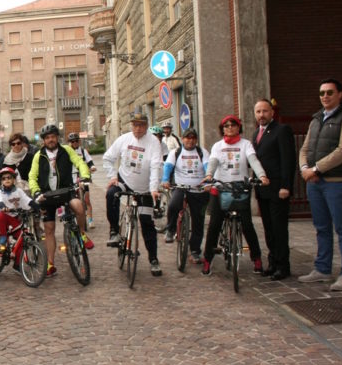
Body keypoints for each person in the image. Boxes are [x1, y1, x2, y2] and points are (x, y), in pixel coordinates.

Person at [297, 79, 342, 291]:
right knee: (321, 227)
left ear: (340, 94)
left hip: (337, 182)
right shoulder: (315, 120)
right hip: (314, 183)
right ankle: (322, 269)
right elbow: (304, 148)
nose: (325, 96)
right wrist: (305, 168)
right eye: (322, 93)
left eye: (330, 92)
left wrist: (316, 169)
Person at [200, 115, 269, 276]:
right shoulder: (218, 146)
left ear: (239, 127)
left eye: (233, 125)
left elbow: (254, 161)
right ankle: (207, 260)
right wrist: (209, 175)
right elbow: (213, 162)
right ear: (222, 129)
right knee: (214, 225)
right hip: (220, 189)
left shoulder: (246, 145)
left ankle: (257, 259)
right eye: (226, 125)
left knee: (247, 225)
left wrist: (262, 175)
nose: (230, 128)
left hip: (240, 190)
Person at [102, 113, 164, 276]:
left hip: (145, 188)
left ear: (146, 125)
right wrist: (112, 176)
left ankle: (153, 259)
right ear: (131, 125)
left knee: (146, 224)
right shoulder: (124, 139)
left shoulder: (153, 142)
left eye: (141, 125)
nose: (137, 128)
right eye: (135, 125)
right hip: (125, 181)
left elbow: (156, 166)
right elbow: (108, 158)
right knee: (111, 194)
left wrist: (153, 189)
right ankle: (114, 231)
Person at [29, 124, 93, 278]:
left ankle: (82, 234)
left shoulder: (66, 150)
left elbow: (80, 163)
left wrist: (84, 176)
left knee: (78, 206)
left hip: (66, 190)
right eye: (47, 138)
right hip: (47, 195)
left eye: (53, 137)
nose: (50, 140)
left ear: (57, 137)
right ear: (43, 140)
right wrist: (36, 191)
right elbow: (32, 176)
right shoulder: (39, 155)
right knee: (49, 229)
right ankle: (51, 264)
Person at [252, 99, 296, 281]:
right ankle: (272, 263)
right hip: (263, 190)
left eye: (265, 111)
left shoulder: (282, 131)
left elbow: (288, 160)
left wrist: (286, 186)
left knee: (279, 229)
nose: (261, 115)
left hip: (278, 189)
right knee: (268, 228)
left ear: (272, 112)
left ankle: (283, 266)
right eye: (258, 112)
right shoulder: (256, 134)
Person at [161, 128, 210, 264]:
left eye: (193, 138)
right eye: (187, 138)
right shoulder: (176, 152)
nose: (190, 140)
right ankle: (170, 229)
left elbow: (207, 167)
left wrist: (208, 181)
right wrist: (165, 180)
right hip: (181, 187)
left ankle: (195, 251)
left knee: (198, 221)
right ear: (182, 139)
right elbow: (168, 167)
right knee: (173, 205)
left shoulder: (202, 152)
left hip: (198, 189)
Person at [0, 167, 40, 273]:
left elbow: (27, 200)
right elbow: (0, 202)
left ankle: (17, 264)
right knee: (0, 215)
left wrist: (38, 207)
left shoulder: (19, 191)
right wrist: (3, 207)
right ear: (1, 181)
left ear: (14, 179)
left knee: (21, 239)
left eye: (9, 177)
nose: (7, 180)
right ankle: (2, 237)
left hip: (16, 218)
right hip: (5, 216)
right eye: (4, 178)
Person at [67, 132, 97, 229]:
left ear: (79, 141)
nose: (75, 143)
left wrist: (92, 167)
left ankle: (90, 220)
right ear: (69, 142)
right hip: (71, 177)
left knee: (86, 199)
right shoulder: (67, 152)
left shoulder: (83, 151)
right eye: (72, 141)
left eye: (76, 141)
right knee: (72, 200)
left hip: (82, 176)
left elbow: (90, 162)